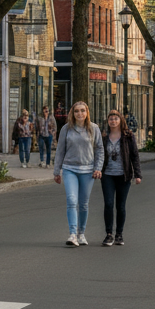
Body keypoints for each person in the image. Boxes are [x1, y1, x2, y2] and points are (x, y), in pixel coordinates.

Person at [53, 101, 102, 247]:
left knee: (83, 204)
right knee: (72, 200)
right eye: (76, 111)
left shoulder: (94, 128)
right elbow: (60, 150)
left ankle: (81, 233)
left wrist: (98, 167)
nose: (79, 114)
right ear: (72, 113)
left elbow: (99, 149)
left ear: (87, 112)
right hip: (70, 169)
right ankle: (73, 234)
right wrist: (57, 171)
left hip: (88, 171)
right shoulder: (66, 129)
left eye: (82, 111)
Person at [100, 109, 142, 247]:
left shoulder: (128, 136)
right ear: (108, 121)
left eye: (115, 119)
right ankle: (109, 234)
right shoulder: (104, 136)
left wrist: (137, 174)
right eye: (111, 119)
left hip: (124, 175)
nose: (113, 121)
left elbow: (134, 155)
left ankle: (119, 234)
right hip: (107, 175)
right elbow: (98, 154)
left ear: (120, 120)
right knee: (109, 204)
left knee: (120, 206)